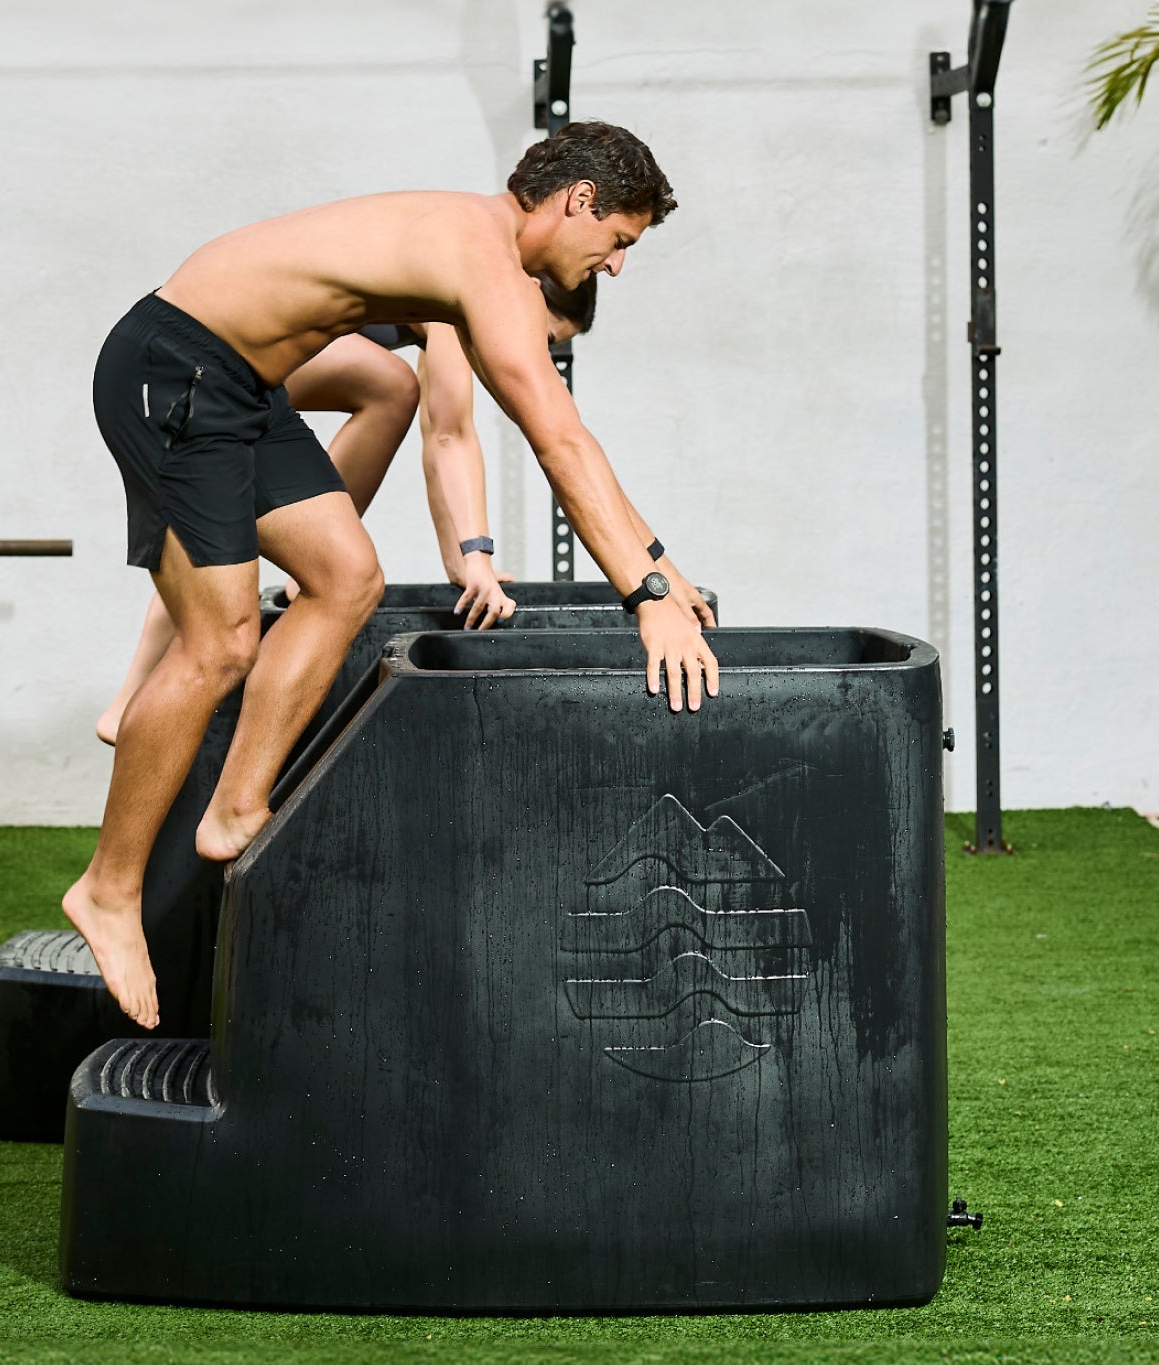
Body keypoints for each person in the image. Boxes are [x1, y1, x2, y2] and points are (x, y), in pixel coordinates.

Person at [68, 121, 718, 1028]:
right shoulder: (479, 256)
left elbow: (542, 435)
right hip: (174, 366)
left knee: (346, 578)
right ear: (579, 200)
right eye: (619, 240)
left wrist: (663, 569)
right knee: (221, 643)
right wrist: (646, 601)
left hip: (244, 389)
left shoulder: (476, 255)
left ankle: (235, 807)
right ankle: (107, 888)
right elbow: (559, 439)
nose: (614, 264)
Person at [93, 275, 598, 746]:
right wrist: (478, 556)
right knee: (389, 385)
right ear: (530, 292)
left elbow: (436, 437)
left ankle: (133, 694)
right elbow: (452, 434)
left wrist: (460, 563)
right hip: (209, 351)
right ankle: (133, 696)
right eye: (544, 338)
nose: (534, 356)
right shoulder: (465, 293)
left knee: (387, 393)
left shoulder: (444, 312)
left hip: (221, 359)